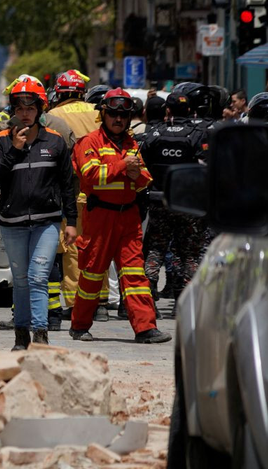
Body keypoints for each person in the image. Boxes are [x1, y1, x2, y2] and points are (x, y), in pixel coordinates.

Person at [70, 88, 171, 344]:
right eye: (113, 114)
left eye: (123, 115)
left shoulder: (131, 144)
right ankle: (80, 326)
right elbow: (90, 177)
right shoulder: (89, 142)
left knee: (135, 274)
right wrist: (123, 166)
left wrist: (138, 176)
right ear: (103, 114)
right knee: (93, 273)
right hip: (100, 217)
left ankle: (145, 328)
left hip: (129, 218)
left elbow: (144, 180)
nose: (119, 119)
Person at [0, 76, 77, 349]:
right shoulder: (2, 141)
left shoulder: (56, 142)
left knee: (39, 277)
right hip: (12, 223)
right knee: (22, 280)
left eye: (30, 107)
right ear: (13, 110)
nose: (25, 113)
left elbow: (67, 184)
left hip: (46, 222)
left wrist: (71, 222)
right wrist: (14, 150)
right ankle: (21, 335)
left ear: (40, 109)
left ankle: (40, 336)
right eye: (20, 107)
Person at [46, 71, 115, 322]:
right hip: (102, 188)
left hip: (71, 191)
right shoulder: (99, 112)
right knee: (99, 246)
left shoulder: (52, 117)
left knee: (74, 248)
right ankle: (102, 302)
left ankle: (78, 303)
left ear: (59, 93)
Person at [139, 92, 207, 316]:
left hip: (159, 200)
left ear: (168, 110)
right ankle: (183, 302)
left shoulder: (154, 133)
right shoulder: (198, 133)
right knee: (188, 252)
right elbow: (206, 167)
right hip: (188, 204)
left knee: (156, 249)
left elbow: (141, 165)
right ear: (189, 111)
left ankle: (148, 299)